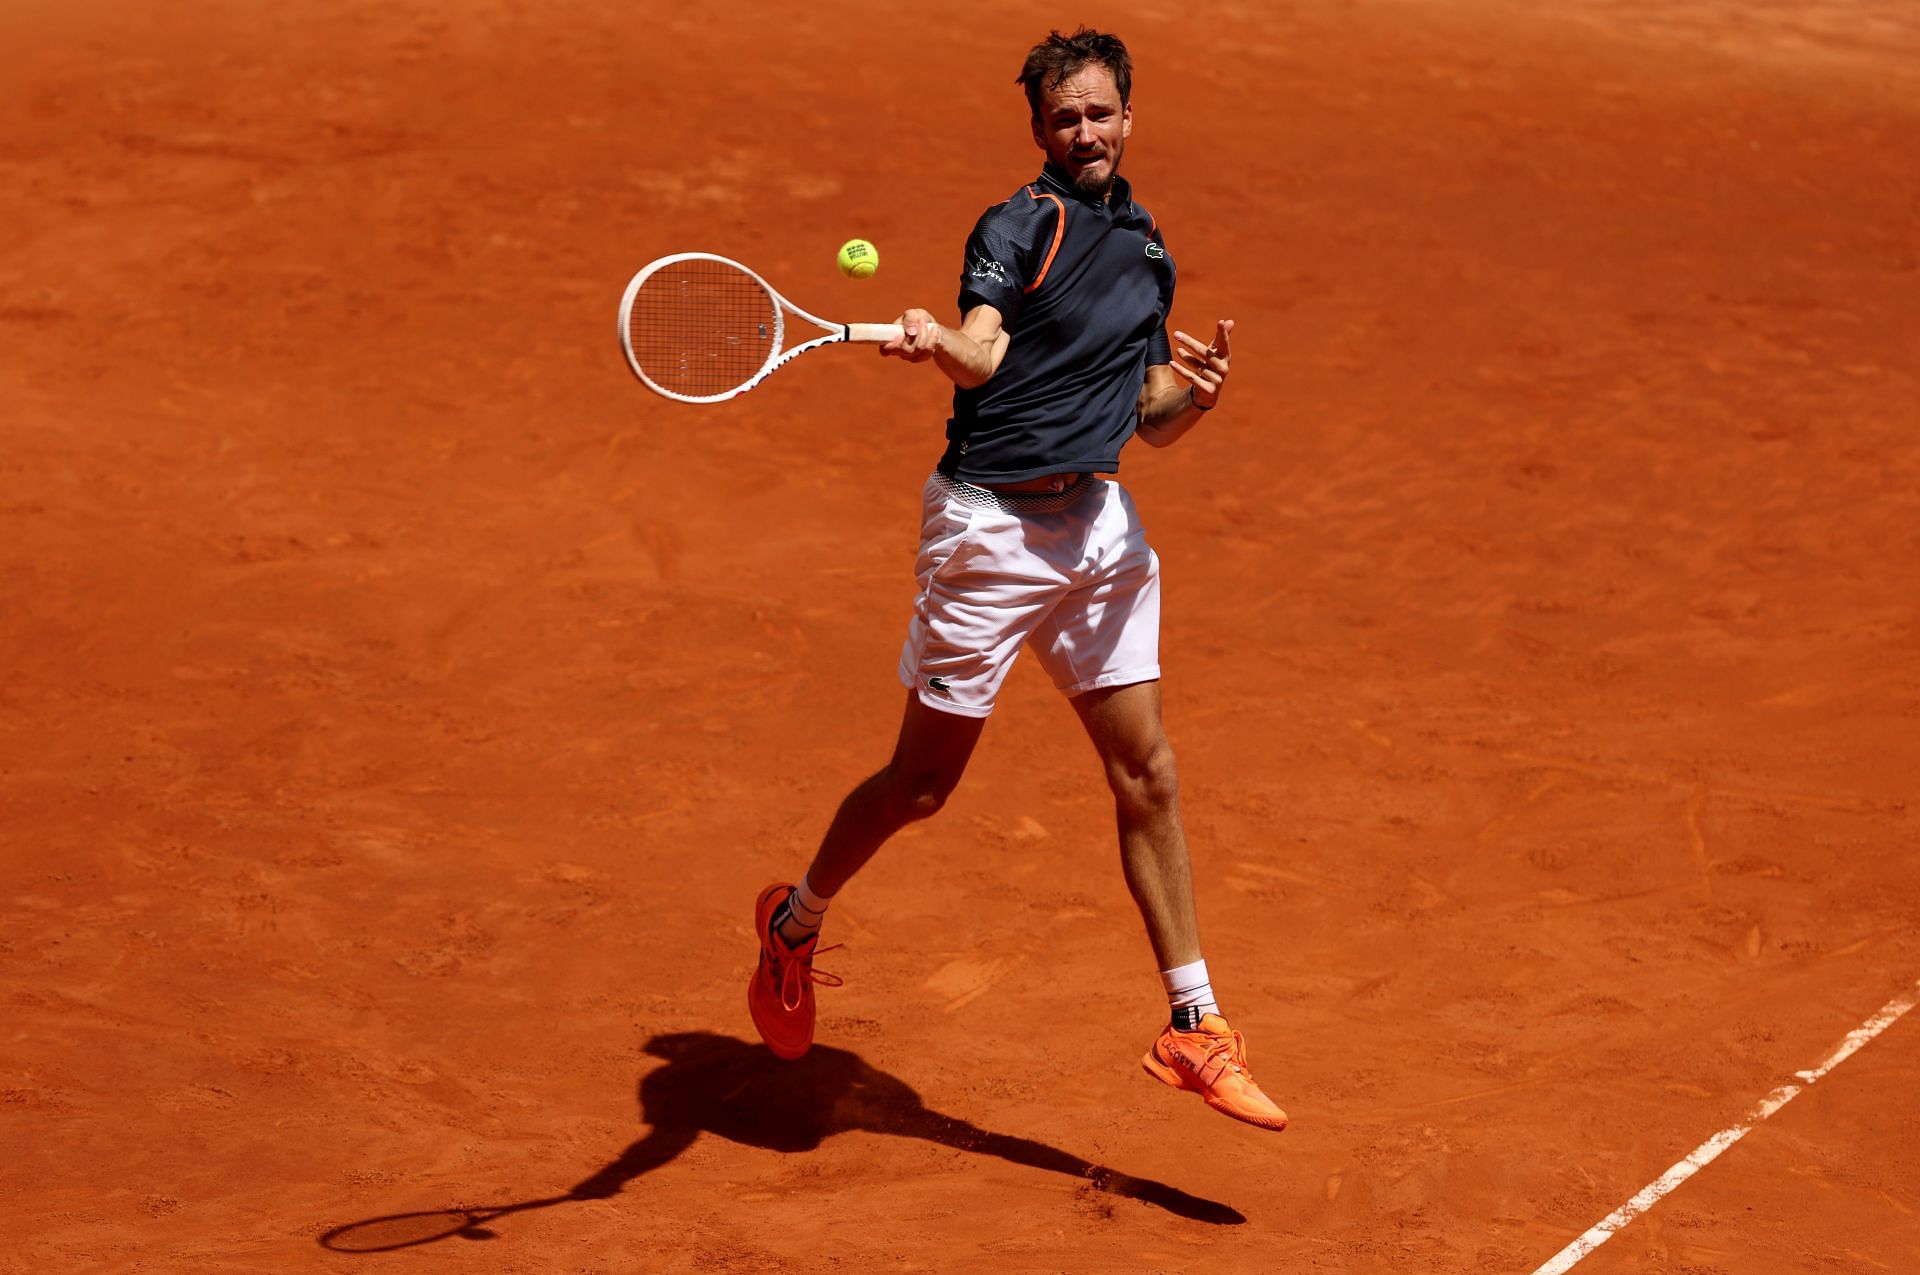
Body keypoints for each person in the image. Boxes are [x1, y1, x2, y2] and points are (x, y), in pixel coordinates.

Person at [747, 27, 1286, 1133]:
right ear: (1040, 130)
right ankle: (795, 922)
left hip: (1097, 530)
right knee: (922, 790)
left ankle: (1195, 1024)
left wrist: (1202, 394)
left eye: (1099, 113)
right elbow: (984, 354)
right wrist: (935, 337)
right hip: (990, 536)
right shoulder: (1018, 225)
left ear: (1128, 116)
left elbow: (1146, 416)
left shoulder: (1146, 250)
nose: (1083, 132)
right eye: (1062, 118)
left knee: (1149, 772)